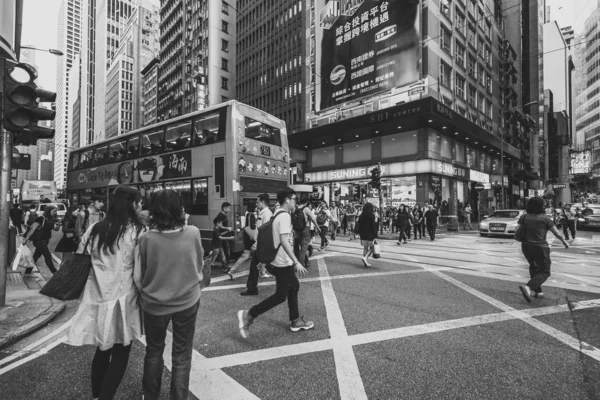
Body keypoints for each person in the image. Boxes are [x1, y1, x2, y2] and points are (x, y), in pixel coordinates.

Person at [66, 185, 145, 400]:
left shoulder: (95, 229)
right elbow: (138, 274)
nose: (141, 207)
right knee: (121, 353)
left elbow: (81, 257)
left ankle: (96, 396)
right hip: (124, 300)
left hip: (97, 297)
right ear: (132, 204)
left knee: (102, 350)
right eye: (140, 203)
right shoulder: (137, 232)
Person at [136, 189, 207, 400]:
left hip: (154, 304)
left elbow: (142, 274)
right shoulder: (193, 232)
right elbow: (199, 264)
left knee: (154, 351)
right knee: (182, 355)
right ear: (179, 209)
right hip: (187, 301)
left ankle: (150, 396)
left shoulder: (146, 238)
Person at [238, 188, 313, 338]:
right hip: (282, 262)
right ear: (287, 200)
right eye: (293, 199)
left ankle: (295, 320)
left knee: (294, 287)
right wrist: (296, 261)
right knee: (280, 296)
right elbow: (285, 241)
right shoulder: (284, 216)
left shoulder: (277, 213)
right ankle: (249, 314)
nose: (295, 202)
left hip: (279, 260)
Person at [518, 197, 569, 302]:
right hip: (540, 247)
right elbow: (557, 233)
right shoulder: (545, 219)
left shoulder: (523, 217)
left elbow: (517, 230)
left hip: (526, 246)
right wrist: (564, 242)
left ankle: (538, 292)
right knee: (545, 271)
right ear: (541, 206)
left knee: (534, 266)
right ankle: (528, 287)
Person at [241, 194, 273, 296]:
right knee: (256, 267)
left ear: (263, 202)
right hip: (259, 244)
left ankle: (252, 289)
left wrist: (257, 244)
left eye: (257, 201)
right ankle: (252, 288)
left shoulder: (266, 214)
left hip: (261, 245)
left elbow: (266, 231)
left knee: (258, 266)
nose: (256, 203)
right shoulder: (262, 213)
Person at [23, 205, 60, 274]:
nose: (55, 212)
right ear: (48, 211)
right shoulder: (40, 219)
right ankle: (54, 272)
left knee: (36, 256)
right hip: (39, 240)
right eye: (53, 211)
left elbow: (56, 229)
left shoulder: (51, 219)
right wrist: (26, 239)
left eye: (56, 211)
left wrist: (58, 223)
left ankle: (28, 271)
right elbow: (32, 229)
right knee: (48, 256)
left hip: (45, 241)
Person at [228, 204, 257, 279]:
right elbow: (253, 227)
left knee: (245, 256)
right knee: (260, 255)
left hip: (247, 237)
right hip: (252, 239)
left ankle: (232, 270)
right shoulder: (252, 216)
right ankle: (261, 271)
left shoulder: (247, 215)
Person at [293, 196, 320, 269]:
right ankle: (300, 265)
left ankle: (296, 262)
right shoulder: (306, 209)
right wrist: (318, 227)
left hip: (296, 230)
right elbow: (313, 219)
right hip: (305, 229)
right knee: (303, 248)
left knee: (296, 247)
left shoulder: (295, 208)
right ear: (306, 201)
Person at [357, 202, 378, 267]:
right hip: (370, 234)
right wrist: (375, 236)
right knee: (372, 248)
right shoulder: (372, 216)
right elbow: (374, 226)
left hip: (363, 234)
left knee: (365, 248)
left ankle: (365, 262)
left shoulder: (361, 216)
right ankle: (365, 258)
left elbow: (359, 225)